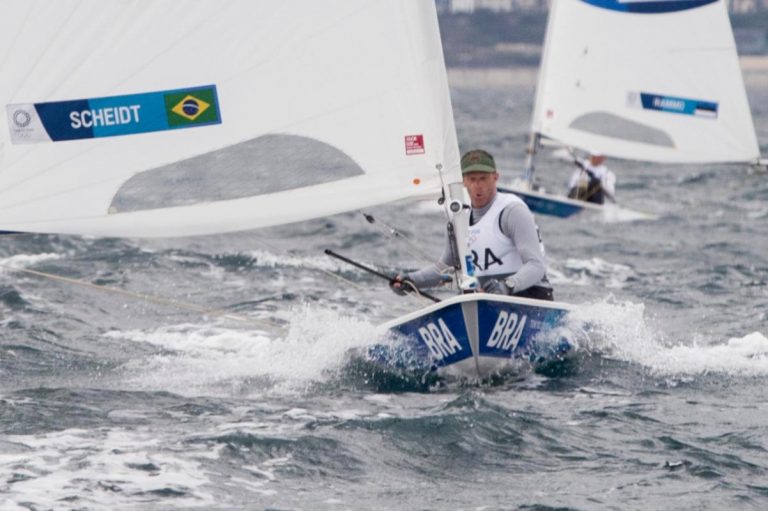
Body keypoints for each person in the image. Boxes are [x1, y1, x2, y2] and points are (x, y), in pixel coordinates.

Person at [391, 149, 554, 301]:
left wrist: (507, 286)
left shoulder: (512, 211)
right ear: (463, 182)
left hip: (531, 295)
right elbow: (444, 268)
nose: (478, 186)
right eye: (472, 179)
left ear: (495, 177)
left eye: (484, 178)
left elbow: (536, 265)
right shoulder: (459, 221)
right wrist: (411, 280)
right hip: (485, 300)